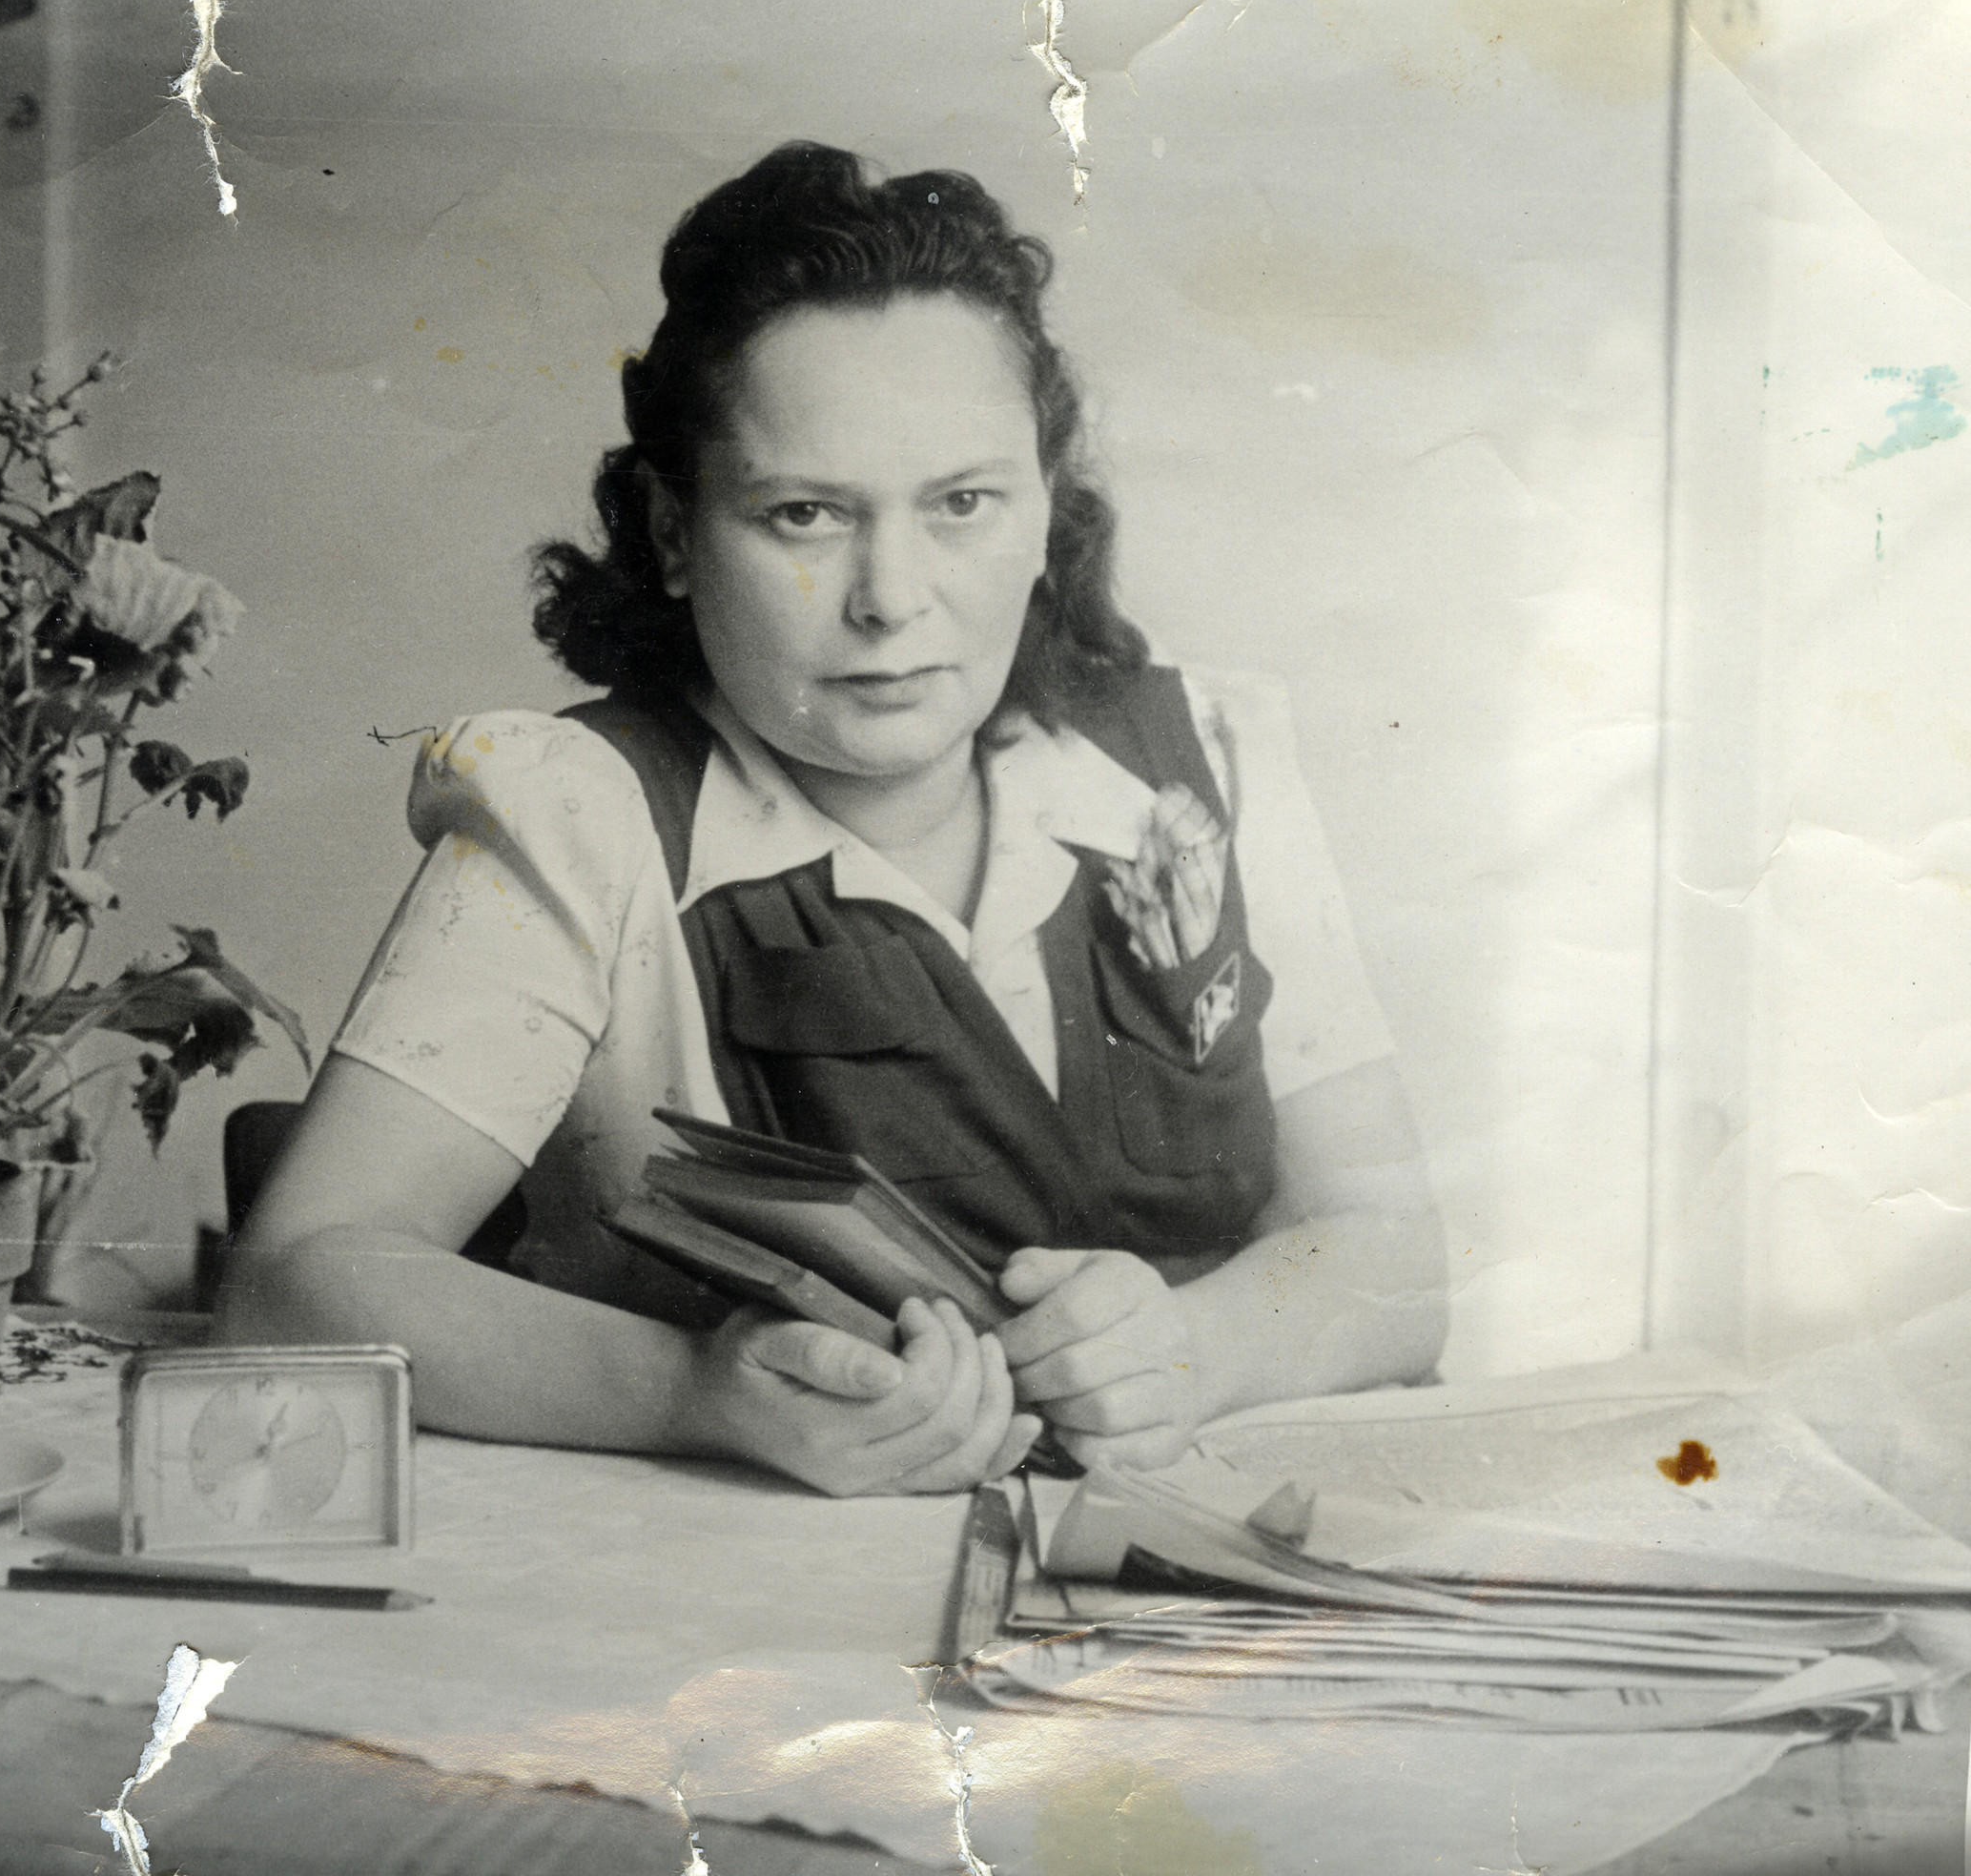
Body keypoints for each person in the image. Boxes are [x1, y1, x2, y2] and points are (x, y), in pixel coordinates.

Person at [219, 143, 1447, 1495]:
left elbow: (1388, 1249)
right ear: (676, 534)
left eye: (964, 504)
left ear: (1048, 510)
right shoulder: (581, 813)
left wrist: (1196, 1350)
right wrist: (693, 1394)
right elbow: (294, 1281)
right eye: (805, 514)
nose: (892, 598)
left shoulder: (1201, 757)